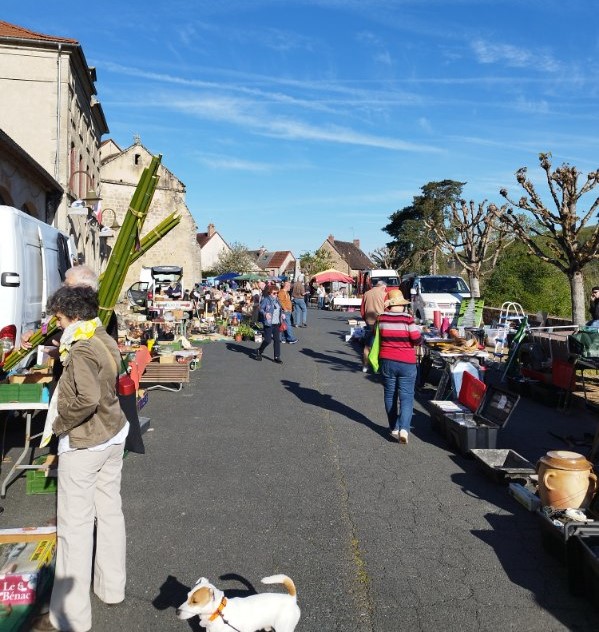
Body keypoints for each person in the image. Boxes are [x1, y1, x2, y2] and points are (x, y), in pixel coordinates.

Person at [32, 285, 128, 632]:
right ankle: (111, 588)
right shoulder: (101, 334)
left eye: (58, 317)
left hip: (87, 442)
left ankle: (69, 616)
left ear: (72, 315)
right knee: (109, 512)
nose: (56, 324)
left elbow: (86, 398)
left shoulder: (83, 345)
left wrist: (58, 424)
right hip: (113, 433)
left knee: (74, 526)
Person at [375, 290, 422, 444]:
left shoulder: (381, 318)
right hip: (406, 362)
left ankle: (393, 427)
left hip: (387, 360)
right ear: (401, 305)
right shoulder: (408, 319)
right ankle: (404, 429)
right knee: (407, 397)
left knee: (390, 394)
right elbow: (416, 339)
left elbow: (376, 337)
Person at [360, 281, 387, 372]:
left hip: (369, 322)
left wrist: (366, 319)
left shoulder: (366, 294)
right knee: (381, 346)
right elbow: (387, 309)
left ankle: (365, 366)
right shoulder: (384, 294)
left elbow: (362, 310)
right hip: (381, 323)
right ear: (383, 287)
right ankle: (379, 366)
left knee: (367, 346)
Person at [254, 284, 284, 363]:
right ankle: (259, 350)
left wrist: (282, 314)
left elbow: (280, 309)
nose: (276, 295)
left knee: (277, 340)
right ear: (270, 293)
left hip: (277, 322)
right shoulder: (266, 300)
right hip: (269, 323)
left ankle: (277, 356)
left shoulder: (277, 300)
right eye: (274, 293)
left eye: (277, 293)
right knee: (268, 340)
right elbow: (260, 308)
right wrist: (265, 314)